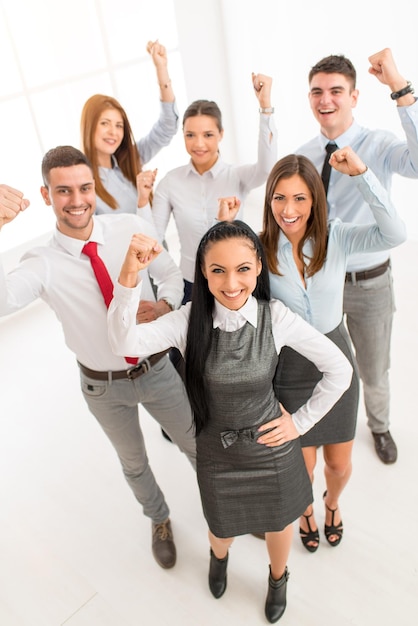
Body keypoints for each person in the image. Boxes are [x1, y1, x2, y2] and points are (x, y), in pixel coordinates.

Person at [107, 220, 353, 623]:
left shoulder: (277, 317)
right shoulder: (188, 321)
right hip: (218, 451)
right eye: (218, 270)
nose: (232, 282)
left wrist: (300, 424)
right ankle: (218, 559)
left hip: (273, 450)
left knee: (278, 524)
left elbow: (339, 370)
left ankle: (278, 578)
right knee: (221, 526)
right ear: (203, 273)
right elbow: (124, 344)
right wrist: (129, 275)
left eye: (242, 268)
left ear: (258, 267)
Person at [0, 146, 196, 571]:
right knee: (134, 463)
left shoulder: (130, 226)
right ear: (46, 194)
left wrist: (163, 307)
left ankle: (228, 506)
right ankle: (159, 519)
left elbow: (169, 277)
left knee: (195, 443)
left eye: (85, 188)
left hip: (156, 367)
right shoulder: (42, 263)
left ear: (95, 188)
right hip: (103, 387)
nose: (77, 200)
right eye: (63, 190)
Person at [220, 147, 406, 552]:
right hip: (288, 368)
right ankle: (305, 509)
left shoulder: (336, 236)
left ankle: (332, 504)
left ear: (315, 200)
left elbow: (395, 234)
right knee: (301, 467)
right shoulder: (258, 248)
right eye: (279, 197)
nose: (289, 209)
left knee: (338, 464)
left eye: (300, 198)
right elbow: (226, 284)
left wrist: (360, 172)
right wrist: (222, 227)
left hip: (335, 358)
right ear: (268, 201)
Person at [295, 47, 418, 464]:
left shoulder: (379, 144)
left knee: (373, 368)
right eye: (317, 91)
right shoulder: (303, 156)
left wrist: (400, 88)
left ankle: (379, 426)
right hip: (317, 283)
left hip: (369, 283)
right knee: (319, 366)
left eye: (335, 90)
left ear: (354, 96)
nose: (325, 100)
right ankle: (323, 433)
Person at [137, 72, 278, 304]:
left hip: (235, 282)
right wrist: (142, 200)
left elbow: (267, 167)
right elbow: (154, 237)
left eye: (208, 135)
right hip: (191, 284)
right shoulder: (170, 182)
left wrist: (265, 108)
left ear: (221, 135)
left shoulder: (237, 176)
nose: (199, 143)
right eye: (190, 135)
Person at [80, 39, 178, 216]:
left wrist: (161, 69)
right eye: (105, 123)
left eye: (119, 125)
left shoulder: (130, 159)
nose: (113, 132)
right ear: (89, 127)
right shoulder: (84, 185)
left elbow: (167, 128)